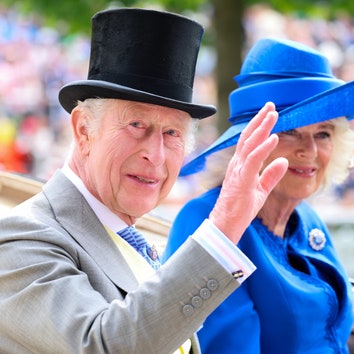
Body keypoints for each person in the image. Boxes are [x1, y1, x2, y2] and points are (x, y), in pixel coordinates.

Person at [0, 8, 289, 354]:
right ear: (83, 130)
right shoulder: (21, 239)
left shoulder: (135, 239)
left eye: (171, 133)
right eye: (136, 125)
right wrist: (224, 228)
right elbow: (105, 346)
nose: (156, 153)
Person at [163, 38, 354, 354]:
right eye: (289, 132)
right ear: (249, 142)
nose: (310, 150)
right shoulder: (206, 220)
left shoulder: (306, 218)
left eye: (323, 133)